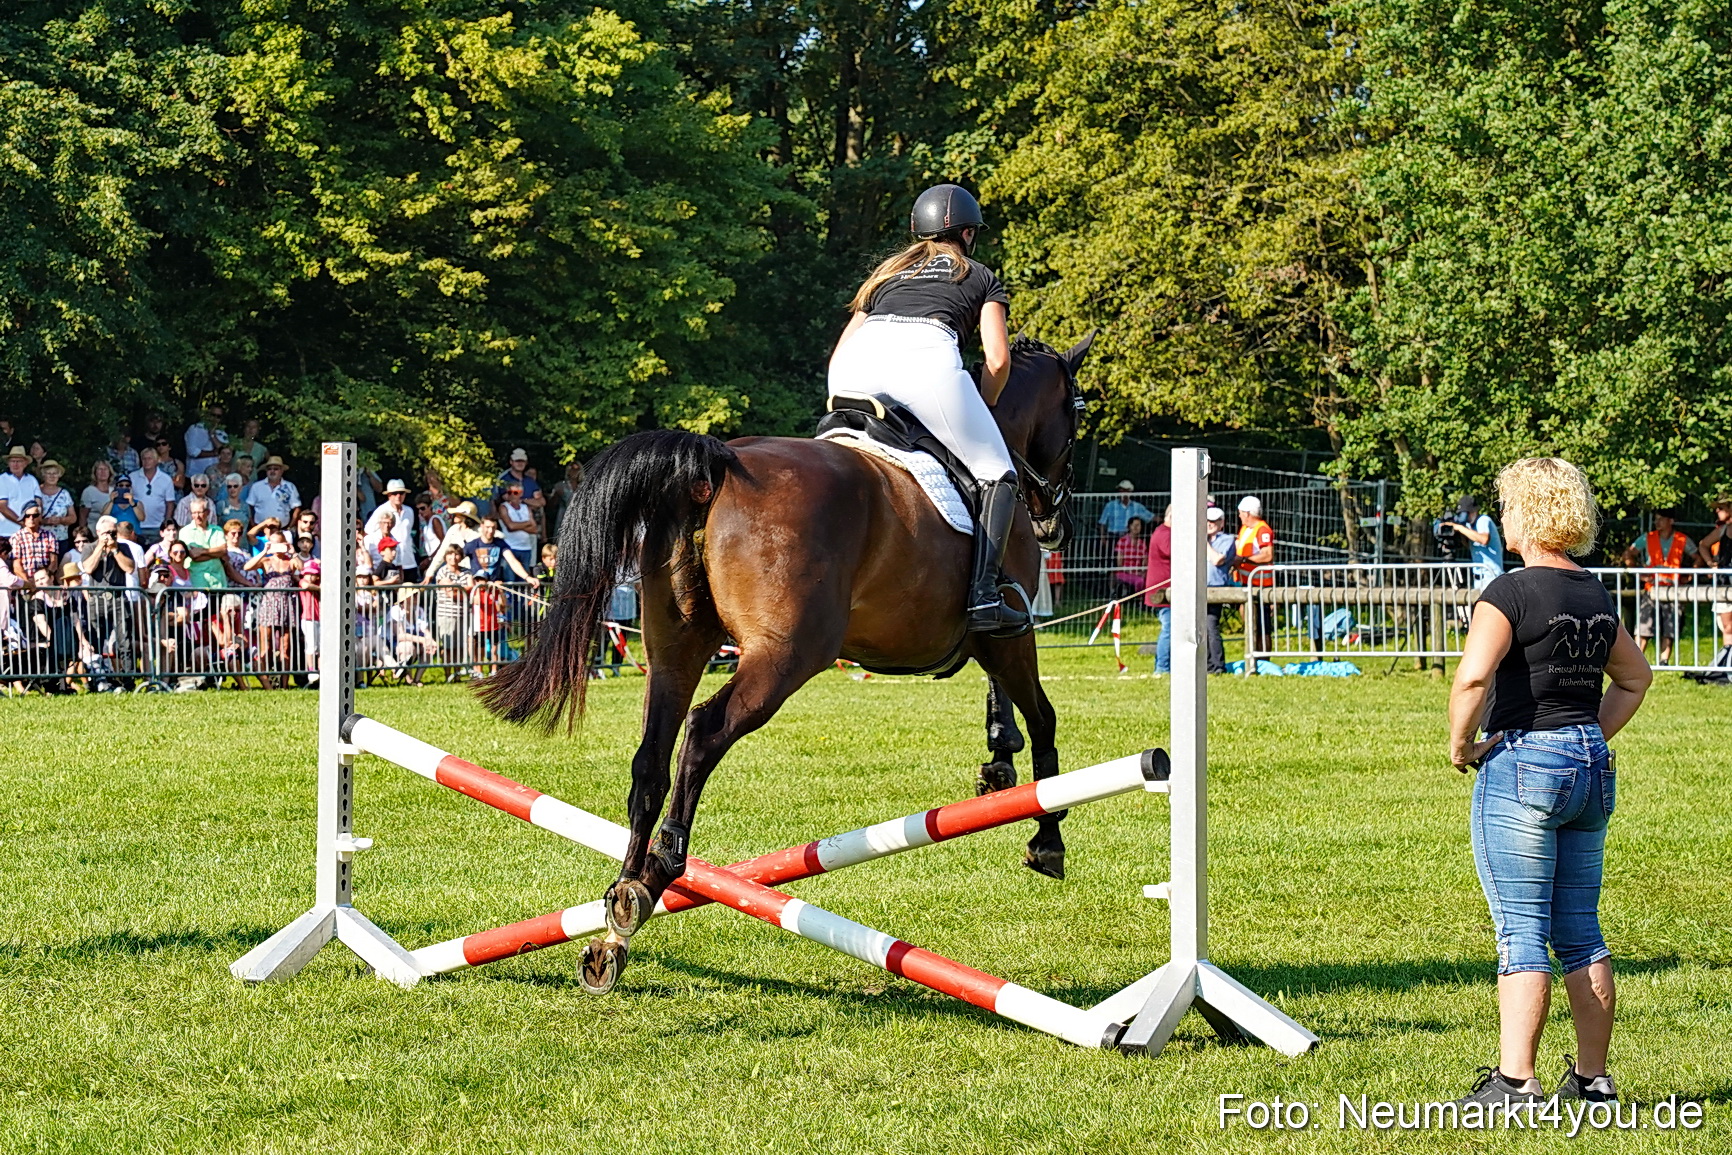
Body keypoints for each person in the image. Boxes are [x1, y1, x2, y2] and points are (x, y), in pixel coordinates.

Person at [1447, 456, 1650, 1108]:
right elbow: (1636, 677)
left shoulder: (1508, 592)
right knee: (1581, 930)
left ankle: (1515, 1082)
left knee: (1522, 931)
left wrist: (1461, 745)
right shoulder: (1593, 591)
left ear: (1525, 512)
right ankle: (1593, 1080)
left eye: (1507, 505)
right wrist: (1586, 738)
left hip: (1523, 766)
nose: (1502, 516)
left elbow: (1474, 679)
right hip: (1590, 769)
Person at [827, 183, 1024, 634]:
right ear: (968, 234)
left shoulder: (886, 276)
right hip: (924, 365)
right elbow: (997, 360)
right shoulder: (979, 274)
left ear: (920, 232)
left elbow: (843, 348)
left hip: (849, 371)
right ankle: (984, 598)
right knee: (998, 471)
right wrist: (986, 404)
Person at [1621, 507, 1698, 665]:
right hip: (1652, 588)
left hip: (1673, 589)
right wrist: (1637, 572)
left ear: (1671, 521)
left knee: (1671, 625)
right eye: (1656, 519)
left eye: (1660, 519)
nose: (1657, 522)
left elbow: (1697, 557)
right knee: (1644, 624)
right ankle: (1636, 660)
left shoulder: (1682, 539)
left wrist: (1689, 575)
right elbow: (1628, 553)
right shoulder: (1647, 538)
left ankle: (1664, 660)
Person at [1232, 495, 1275, 657]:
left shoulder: (1262, 530)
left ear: (1248, 513)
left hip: (1260, 585)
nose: (1239, 516)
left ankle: (1264, 657)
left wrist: (1245, 560)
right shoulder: (1245, 529)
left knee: (1263, 625)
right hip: (1246, 582)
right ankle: (1253, 653)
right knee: (1250, 620)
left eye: (1241, 513)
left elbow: (1267, 555)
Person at [1440, 494, 1505, 589]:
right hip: (1479, 577)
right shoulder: (1470, 526)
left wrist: (1460, 528)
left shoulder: (1483, 520)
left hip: (1491, 576)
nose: (1466, 517)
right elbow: (1469, 546)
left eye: (1467, 513)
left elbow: (1484, 539)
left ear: (1474, 511)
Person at [365, 480, 419, 579]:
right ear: (389, 495)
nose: (398, 496)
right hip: (391, 562)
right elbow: (368, 531)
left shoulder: (409, 511)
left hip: (409, 561)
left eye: (401, 493)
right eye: (394, 493)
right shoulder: (381, 510)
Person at [1698, 495, 1732, 653]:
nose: (1717, 511)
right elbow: (1703, 545)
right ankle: (1727, 665)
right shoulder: (1723, 530)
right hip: (1725, 583)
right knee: (1727, 627)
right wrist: (1711, 564)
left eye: (1721, 507)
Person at [1143, 506, 1174, 674]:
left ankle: (1165, 665)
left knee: (1171, 629)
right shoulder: (1164, 534)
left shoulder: (1163, 532)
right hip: (1162, 592)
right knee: (1168, 629)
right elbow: (1173, 551)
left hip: (1166, 590)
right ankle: (1161, 668)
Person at [1203, 506, 1235, 674]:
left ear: (1221, 523)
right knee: (1200, 627)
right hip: (1199, 588)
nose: (1210, 524)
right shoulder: (1198, 539)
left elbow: (1217, 559)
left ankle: (1217, 665)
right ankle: (1206, 665)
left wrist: (1204, 542)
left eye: (1214, 521)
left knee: (1211, 625)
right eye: (1207, 521)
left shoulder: (1227, 540)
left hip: (1216, 589)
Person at [127, 447, 173, 546]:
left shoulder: (166, 479)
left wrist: (166, 523)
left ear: (156, 460)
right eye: (144, 459)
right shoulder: (132, 477)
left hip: (158, 526)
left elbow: (170, 503)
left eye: (150, 458)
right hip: (137, 525)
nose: (146, 461)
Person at [246, 457, 302, 528]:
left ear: (282, 471)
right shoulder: (256, 486)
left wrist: (290, 527)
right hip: (260, 530)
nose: (272, 471)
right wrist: (253, 524)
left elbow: (297, 508)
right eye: (269, 469)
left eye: (276, 469)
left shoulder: (290, 487)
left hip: (282, 530)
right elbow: (249, 506)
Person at [0, 446, 42, 539]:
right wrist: (23, 523)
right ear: (8, 463)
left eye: (19, 461)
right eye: (12, 461)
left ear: (25, 463)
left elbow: (38, 504)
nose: (15, 464)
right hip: (6, 532)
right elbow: (2, 507)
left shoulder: (32, 480)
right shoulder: (2, 479)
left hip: (28, 533)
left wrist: (33, 524)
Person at [10, 503, 59, 580]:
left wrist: (44, 579)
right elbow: (16, 566)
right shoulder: (16, 537)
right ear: (23, 518)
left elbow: (54, 563)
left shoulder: (50, 536)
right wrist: (29, 583)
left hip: (45, 582)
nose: (31, 518)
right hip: (26, 583)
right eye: (27, 516)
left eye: (35, 515)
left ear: (40, 517)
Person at [34, 461, 75, 550]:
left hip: (61, 540)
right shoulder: (36, 492)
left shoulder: (64, 494)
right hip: (40, 539)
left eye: (55, 473)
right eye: (49, 473)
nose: (52, 476)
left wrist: (61, 520)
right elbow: (30, 516)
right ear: (43, 475)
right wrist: (46, 521)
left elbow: (73, 517)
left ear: (59, 476)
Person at [496, 483, 537, 572]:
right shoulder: (504, 507)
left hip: (526, 548)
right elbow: (510, 526)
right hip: (510, 547)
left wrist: (517, 525)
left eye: (515, 492)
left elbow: (534, 529)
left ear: (521, 493)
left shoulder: (526, 508)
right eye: (509, 492)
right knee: (510, 579)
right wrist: (527, 523)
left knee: (525, 579)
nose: (511, 495)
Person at [495, 448, 545, 513]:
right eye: (517, 461)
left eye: (522, 461)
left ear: (526, 462)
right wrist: (531, 502)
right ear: (511, 462)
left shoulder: (530, 481)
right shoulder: (504, 480)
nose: (520, 463)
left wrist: (523, 500)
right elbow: (510, 500)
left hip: (531, 516)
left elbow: (541, 502)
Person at [548, 460, 583, 535]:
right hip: (563, 519)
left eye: (577, 469)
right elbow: (551, 506)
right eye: (572, 469)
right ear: (568, 471)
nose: (574, 471)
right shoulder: (560, 485)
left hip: (580, 520)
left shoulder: (585, 486)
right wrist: (556, 495)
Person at [80, 460, 116, 531]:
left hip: (113, 531)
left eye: (105, 469)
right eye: (100, 469)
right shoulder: (88, 491)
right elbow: (83, 516)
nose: (103, 472)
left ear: (110, 472)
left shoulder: (115, 490)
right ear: (95, 473)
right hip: (94, 531)